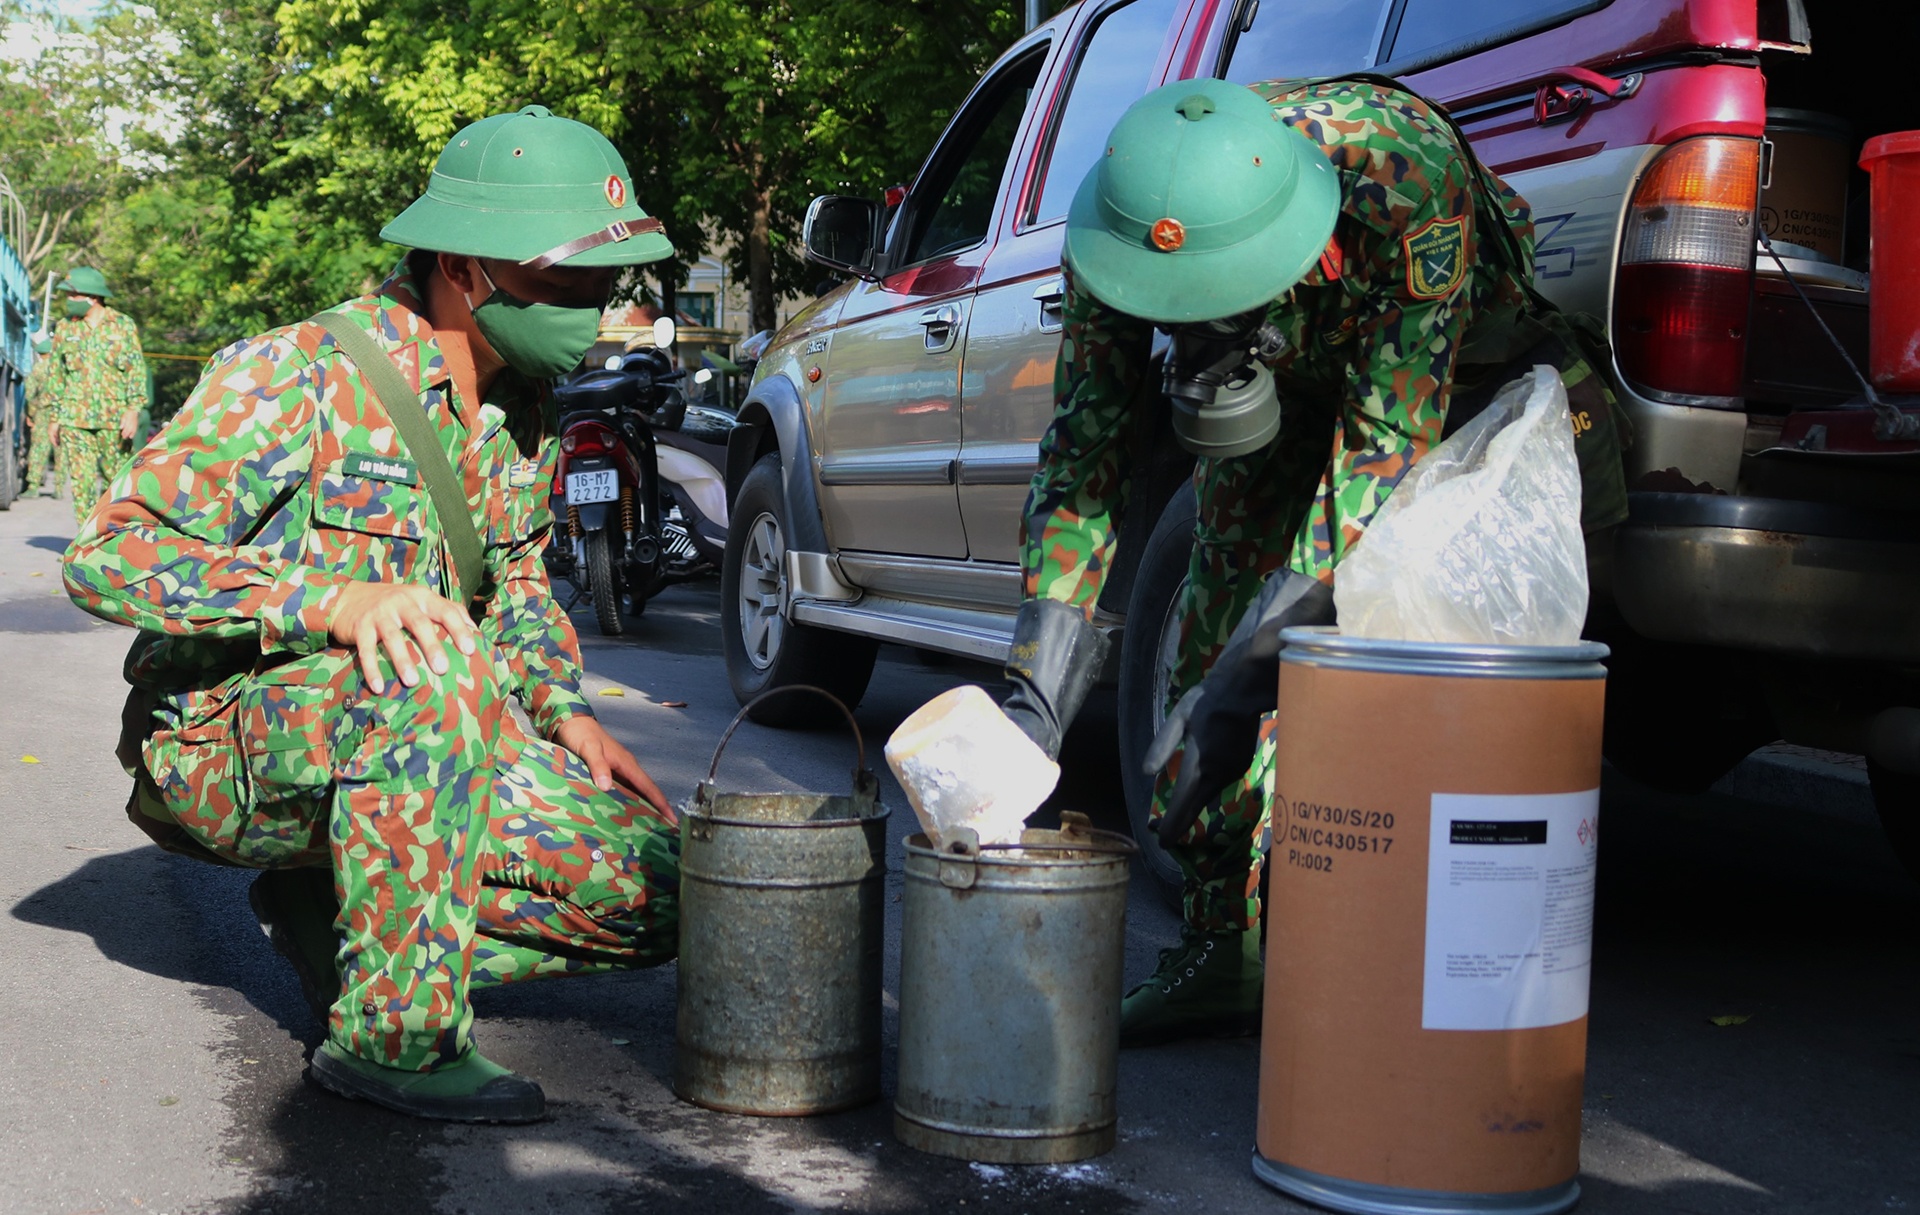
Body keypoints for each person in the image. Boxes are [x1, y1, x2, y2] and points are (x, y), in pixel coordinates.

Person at [63, 105, 682, 1123]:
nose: (584, 308)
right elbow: (108, 554)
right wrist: (330, 599)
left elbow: (520, 585)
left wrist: (564, 710)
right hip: (232, 744)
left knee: (667, 890)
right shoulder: (298, 374)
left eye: (601, 287)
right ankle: (395, 1037)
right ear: (461, 264)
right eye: (559, 282)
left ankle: (356, 911)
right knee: (425, 659)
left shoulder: (520, 409)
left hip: (418, 745)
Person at [999, 77, 1624, 1047]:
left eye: (1210, 301)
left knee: (1382, 649)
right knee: (1214, 612)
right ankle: (1225, 949)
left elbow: (1378, 461)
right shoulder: (1120, 230)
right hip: (1294, 378)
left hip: (1451, 379)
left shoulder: (1397, 178)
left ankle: (1390, 944)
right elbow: (1086, 457)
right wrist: (1037, 689)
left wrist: (1245, 689)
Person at [42, 266, 148, 520]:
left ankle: (115, 541)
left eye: (73, 295)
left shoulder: (123, 325)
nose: (69, 301)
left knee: (117, 483)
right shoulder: (65, 329)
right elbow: (57, 375)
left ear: (92, 297)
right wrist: (54, 418)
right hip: (74, 419)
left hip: (114, 420)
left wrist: (133, 410)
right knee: (82, 486)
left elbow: (135, 370)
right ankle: (86, 548)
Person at [23, 333, 59, 497]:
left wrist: (30, 414)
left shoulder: (39, 368)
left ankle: (34, 487)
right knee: (61, 449)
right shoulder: (62, 368)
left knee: (38, 448)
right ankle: (59, 488)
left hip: (43, 413)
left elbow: (30, 394)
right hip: (62, 413)